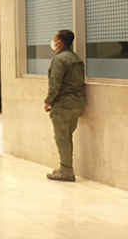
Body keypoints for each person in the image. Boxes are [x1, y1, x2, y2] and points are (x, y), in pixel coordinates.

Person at [45, 30, 85, 182]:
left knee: (62, 138)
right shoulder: (77, 59)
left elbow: (55, 82)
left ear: (60, 42)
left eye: (55, 38)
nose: (53, 41)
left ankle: (66, 170)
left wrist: (49, 100)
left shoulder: (60, 59)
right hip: (77, 103)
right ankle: (65, 167)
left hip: (63, 104)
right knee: (68, 136)